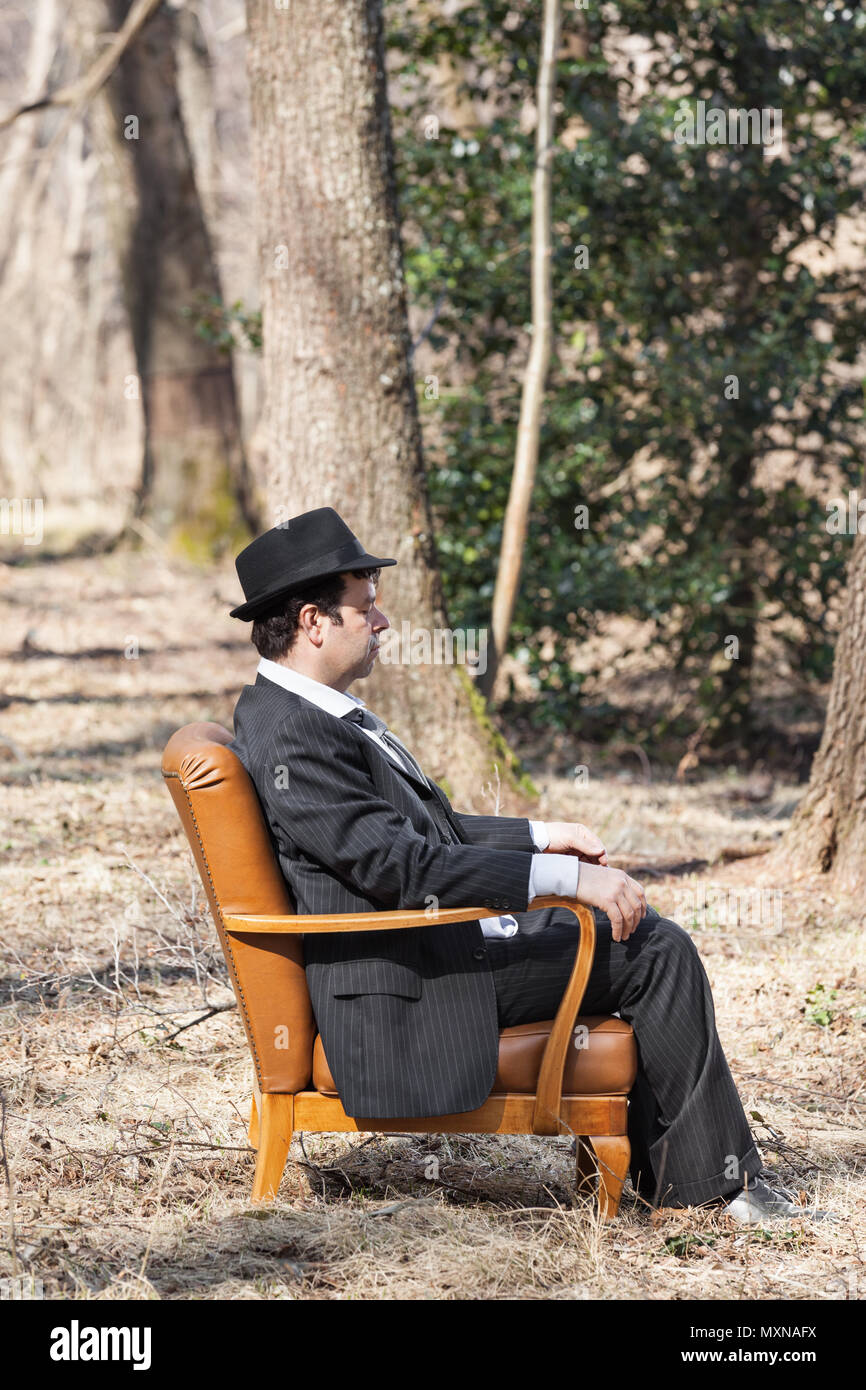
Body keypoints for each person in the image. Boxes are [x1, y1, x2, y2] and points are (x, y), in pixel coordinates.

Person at [228, 506, 828, 1224]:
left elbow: (418, 833)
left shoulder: (306, 712)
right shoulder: (296, 733)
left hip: (425, 948)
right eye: (366, 607)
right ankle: (717, 1191)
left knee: (643, 938)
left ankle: (680, 1177)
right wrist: (567, 881)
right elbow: (402, 867)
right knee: (653, 950)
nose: (381, 623)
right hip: (407, 987)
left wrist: (543, 838)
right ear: (313, 622)